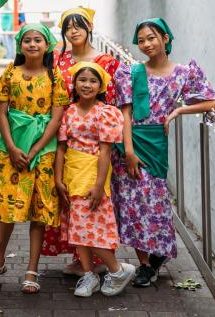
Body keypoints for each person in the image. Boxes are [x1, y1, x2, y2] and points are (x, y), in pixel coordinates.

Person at [111, 18, 215, 287]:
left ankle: (158, 252)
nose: (146, 44)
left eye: (151, 38)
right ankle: (145, 265)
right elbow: (125, 112)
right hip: (130, 141)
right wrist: (128, 151)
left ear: (166, 39)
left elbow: (212, 101)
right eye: (141, 40)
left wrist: (180, 110)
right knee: (132, 204)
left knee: (155, 201)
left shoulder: (183, 73)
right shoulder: (130, 72)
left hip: (156, 141)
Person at [0, 24, 68, 294]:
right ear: (20, 45)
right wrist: (13, 149)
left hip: (42, 154)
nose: (33, 44)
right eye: (27, 40)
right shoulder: (10, 73)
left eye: (38, 39)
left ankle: (32, 269)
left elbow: (57, 117)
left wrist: (36, 149)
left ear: (47, 45)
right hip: (9, 150)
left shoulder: (54, 76)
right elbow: (1, 113)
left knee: (39, 212)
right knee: (7, 211)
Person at [45, 7, 120, 274]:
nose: (73, 31)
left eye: (78, 25)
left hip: (94, 135)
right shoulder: (56, 59)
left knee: (92, 202)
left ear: (89, 27)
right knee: (70, 203)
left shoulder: (105, 60)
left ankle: (102, 264)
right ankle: (82, 260)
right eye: (67, 27)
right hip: (64, 130)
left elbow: (112, 99)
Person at [55, 62, 136, 297]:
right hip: (72, 172)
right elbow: (61, 148)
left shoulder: (106, 113)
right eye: (82, 80)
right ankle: (89, 275)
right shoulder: (68, 111)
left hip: (93, 173)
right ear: (74, 83)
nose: (87, 85)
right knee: (77, 227)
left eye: (92, 81)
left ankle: (118, 269)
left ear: (101, 86)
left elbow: (105, 151)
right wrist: (58, 178)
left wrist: (99, 184)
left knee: (91, 225)